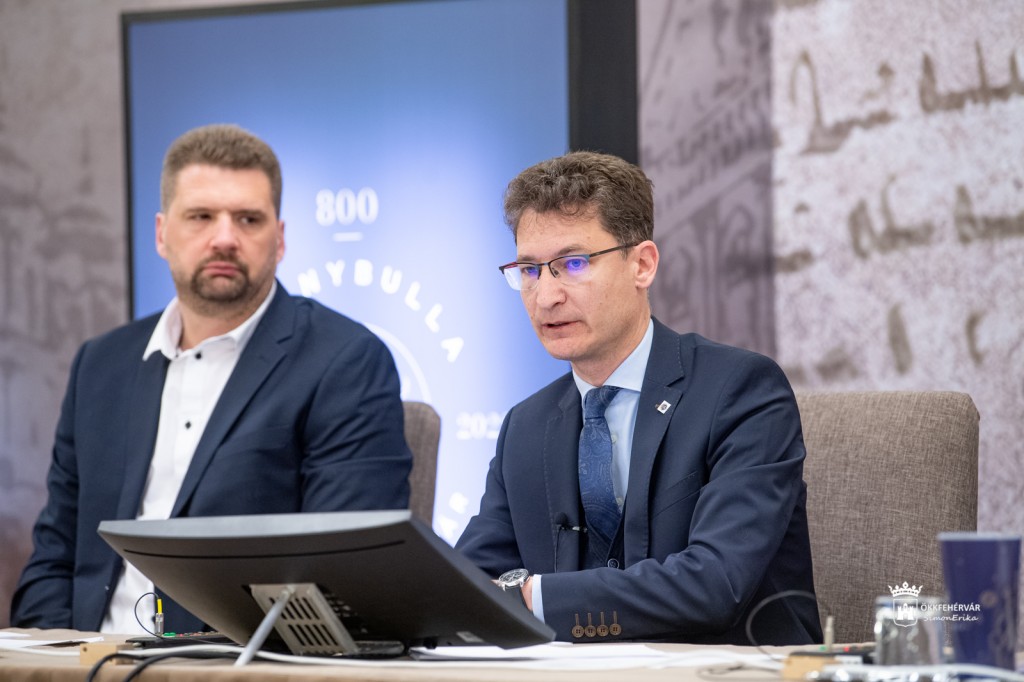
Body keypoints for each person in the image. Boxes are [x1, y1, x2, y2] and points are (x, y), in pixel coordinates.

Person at [11, 124, 413, 634]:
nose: (224, 238)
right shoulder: (101, 364)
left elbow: (344, 578)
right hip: (89, 658)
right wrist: (62, 657)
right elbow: (53, 560)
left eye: (248, 219)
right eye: (201, 216)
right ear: (162, 234)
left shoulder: (345, 362)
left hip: (237, 661)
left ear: (280, 239)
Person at [456, 151, 821, 645]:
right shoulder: (527, 424)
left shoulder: (740, 390)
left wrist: (534, 598)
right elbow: (467, 585)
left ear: (642, 265)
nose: (545, 296)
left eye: (573, 264)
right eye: (529, 270)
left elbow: (715, 583)